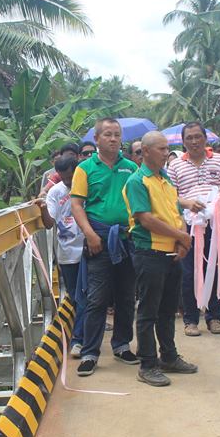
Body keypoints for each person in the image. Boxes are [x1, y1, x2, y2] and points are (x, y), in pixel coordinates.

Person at [122, 131, 198, 386]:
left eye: (168, 149)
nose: (167, 153)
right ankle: (147, 364)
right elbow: (146, 219)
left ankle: (169, 356)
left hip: (172, 253)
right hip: (150, 253)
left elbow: (176, 213)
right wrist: (182, 237)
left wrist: (182, 239)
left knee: (167, 309)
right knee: (148, 311)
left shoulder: (165, 179)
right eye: (162, 149)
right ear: (145, 152)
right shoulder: (137, 182)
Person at [70, 118, 139, 376]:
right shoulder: (85, 168)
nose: (113, 139)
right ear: (97, 139)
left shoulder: (131, 167)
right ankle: (90, 351)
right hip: (98, 237)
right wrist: (89, 234)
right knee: (96, 297)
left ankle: (121, 344)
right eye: (107, 134)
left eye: (117, 135)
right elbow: (77, 205)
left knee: (126, 295)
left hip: (127, 238)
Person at [167, 121, 220, 336]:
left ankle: (214, 317)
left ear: (205, 138)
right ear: (183, 141)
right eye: (189, 138)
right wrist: (187, 203)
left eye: (198, 136)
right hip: (188, 225)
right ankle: (191, 319)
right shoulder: (175, 166)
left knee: (214, 267)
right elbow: (170, 197)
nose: (194, 141)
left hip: (215, 224)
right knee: (189, 272)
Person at [41, 155, 86, 357]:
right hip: (68, 252)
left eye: (71, 177)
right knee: (77, 297)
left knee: (86, 295)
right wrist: (42, 209)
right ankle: (80, 336)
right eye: (65, 178)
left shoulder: (87, 186)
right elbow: (49, 223)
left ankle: (79, 339)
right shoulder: (55, 192)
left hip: (89, 247)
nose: (69, 182)